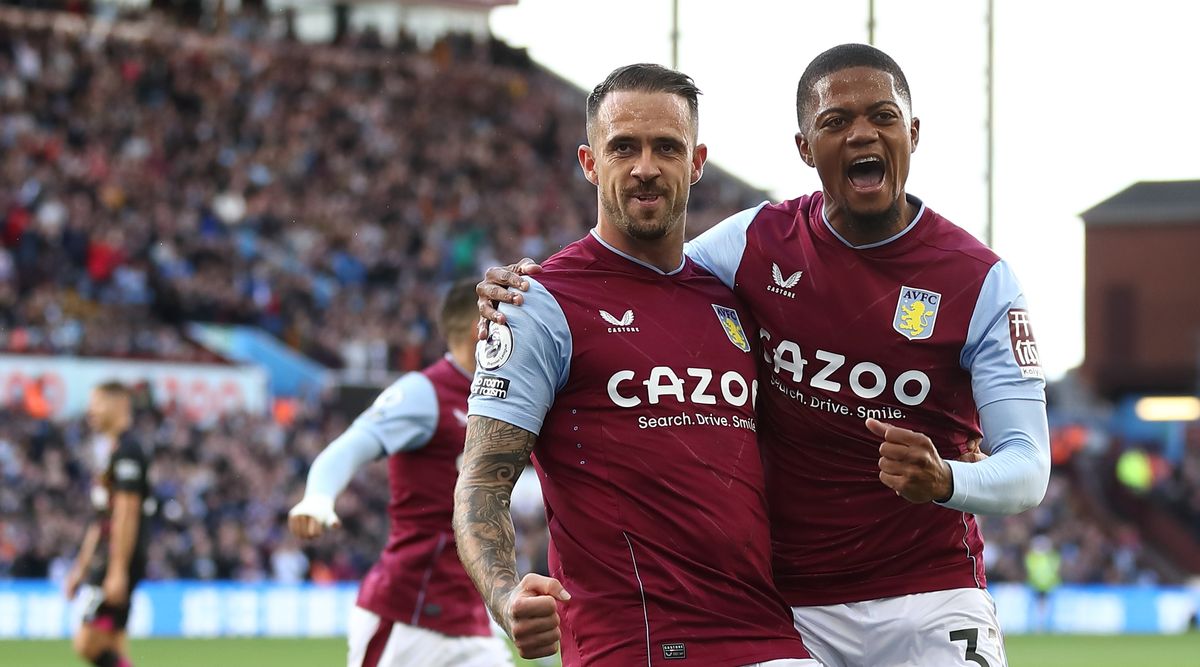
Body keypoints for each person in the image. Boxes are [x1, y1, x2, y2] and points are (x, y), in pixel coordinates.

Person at [478, 44, 1051, 667]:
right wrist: (523, 288)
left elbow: (1029, 467)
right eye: (835, 122)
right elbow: (641, 273)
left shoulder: (981, 281)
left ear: (912, 133)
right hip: (791, 608)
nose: (862, 133)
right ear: (805, 148)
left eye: (883, 117)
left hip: (930, 593)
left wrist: (947, 479)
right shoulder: (754, 243)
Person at [453, 64, 815, 667]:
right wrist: (504, 592)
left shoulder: (732, 300)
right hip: (637, 644)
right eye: (624, 147)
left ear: (697, 162)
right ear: (590, 162)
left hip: (767, 634)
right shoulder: (538, 303)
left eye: (666, 148)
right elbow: (482, 480)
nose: (646, 166)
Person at [288, 279, 512, 667]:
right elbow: (352, 444)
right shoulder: (424, 393)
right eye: (507, 323)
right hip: (409, 617)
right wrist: (318, 497)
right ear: (482, 329)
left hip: (471, 620)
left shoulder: (503, 398)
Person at [65, 381, 151, 667]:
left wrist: (117, 570)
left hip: (118, 558)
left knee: (87, 643)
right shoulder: (112, 453)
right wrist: (80, 567)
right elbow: (100, 517)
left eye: (97, 404)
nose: (91, 411)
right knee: (112, 644)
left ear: (119, 405)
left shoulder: (129, 451)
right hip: (107, 557)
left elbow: (127, 513)